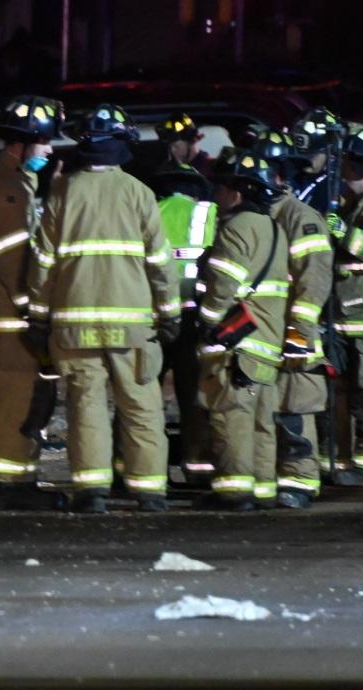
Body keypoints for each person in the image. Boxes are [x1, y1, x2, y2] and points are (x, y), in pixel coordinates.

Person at [26, 104, 178, 513]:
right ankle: (149, 492)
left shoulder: (64, 194)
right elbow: (161, 264)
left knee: (85, 406)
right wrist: (170, 313)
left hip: (75, 328)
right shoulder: (139, 194)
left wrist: (39, 317)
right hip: (132, 329)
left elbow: (44, 264)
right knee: (141, 406)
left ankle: (91, 492)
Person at [0, 96, 69, 511]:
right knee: (16, 401)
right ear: (23, 144)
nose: (49, 152)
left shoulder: (15, 184)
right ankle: (7, 486)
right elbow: (14, 259)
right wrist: (30, 308)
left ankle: (19, 481)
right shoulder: (9, 190)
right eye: (45, 144)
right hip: (13, 323)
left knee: (28, 400)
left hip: (11, 319)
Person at [191, 150, 290, 510]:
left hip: (238, 344)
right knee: (261, 422)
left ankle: (233, 492)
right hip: (267, 342)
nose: (217, 195)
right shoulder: (274, 229)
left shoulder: (235, 228)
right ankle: (262, 490)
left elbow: (223, 285)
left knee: (231, 417)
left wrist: (208, 320)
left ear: (238, 191)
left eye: (222, 187)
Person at [251, 133, 335, 508]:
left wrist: (299, 336)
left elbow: (313, 281)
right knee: (265, 408)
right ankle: (269, 477)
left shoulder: (300, 218)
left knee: (295, 407)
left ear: (281, 175)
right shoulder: (256, 214)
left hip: (291, 332)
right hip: (261, 333)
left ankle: (300, 480)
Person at [146, 158, 217, 482]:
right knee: (194, 397)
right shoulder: (207, 214)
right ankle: (198, 467)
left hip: (153, 318)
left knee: (143, 396)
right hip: (194, 316)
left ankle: (136, 467)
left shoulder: (148, 212)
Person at [332, 126, 363, 481]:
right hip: (350, 313)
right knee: (354, 390)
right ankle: (351, 462)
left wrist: (343, 233)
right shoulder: (354, 203)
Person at [289, 106, 345, 211]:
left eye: (312, 155)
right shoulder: (291, 175)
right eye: (302, 154)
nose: (305, 160)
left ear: (331, 152)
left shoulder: (333, 189)